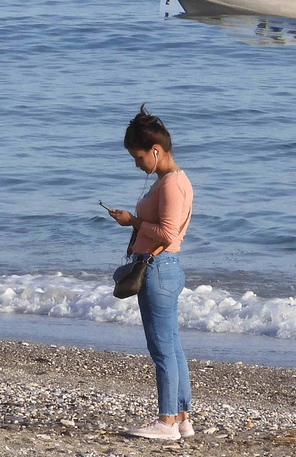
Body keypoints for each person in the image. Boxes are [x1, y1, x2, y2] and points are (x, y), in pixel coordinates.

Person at [107, 106, 195, 440]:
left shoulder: (171, 185)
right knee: (172, 345)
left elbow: (169, 234)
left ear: (156, 151)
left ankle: (167, 422)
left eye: (139, 156)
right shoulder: (175, 181)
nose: (137, 164)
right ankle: (182, 418)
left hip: (158, 268)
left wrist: (133, 222)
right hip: (166, 268)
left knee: (161, 348)